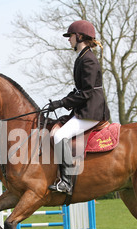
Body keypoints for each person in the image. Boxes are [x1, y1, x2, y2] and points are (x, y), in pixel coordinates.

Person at [48, 20, 111, 195]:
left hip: (91, 112)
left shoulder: (88, 60)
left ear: (80, 36)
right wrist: (60, 102)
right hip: (84, 110)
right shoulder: (82, 57)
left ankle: (66, 182)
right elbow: (79, 90)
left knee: (60, 136)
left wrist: (63, 103)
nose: (69, 40)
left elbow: (87, 93)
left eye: (70, 36)